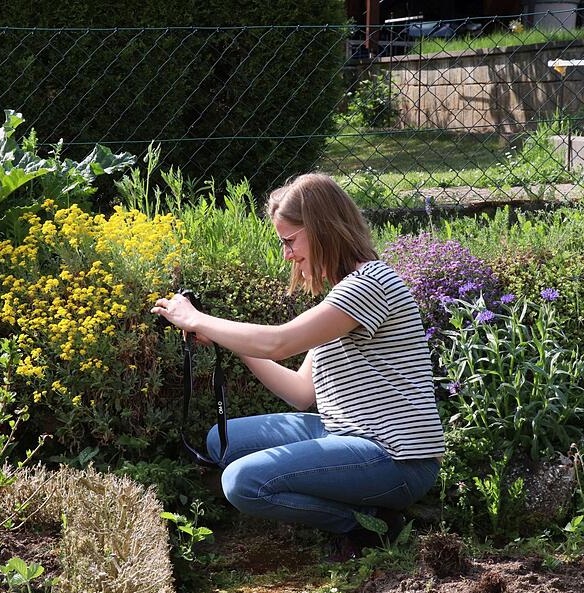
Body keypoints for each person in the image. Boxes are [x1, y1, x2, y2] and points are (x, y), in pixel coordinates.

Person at [152, 173, 444, 557]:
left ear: (321, 229)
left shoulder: (369, 285)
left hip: (396, 458)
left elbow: (279, 342)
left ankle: (368, 525)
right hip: (346, 435)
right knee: (221, 442)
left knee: (242, 482)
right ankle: (362, 508)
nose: (287, 254)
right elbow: (301, 392)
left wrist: (196, 319)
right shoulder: (342, 295)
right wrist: (225, 341)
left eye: (289, 241)